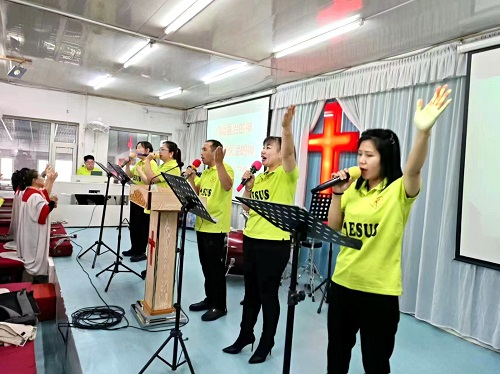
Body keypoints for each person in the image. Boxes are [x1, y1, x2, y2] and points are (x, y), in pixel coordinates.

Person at [326, 85, 452, 374]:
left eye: (369, 155)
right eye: (359, 154)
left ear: (385, 157)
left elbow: (414, 170)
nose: (361, 161)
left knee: (375, 363)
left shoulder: (398, 191)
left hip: (379, 293)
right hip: (344, 284)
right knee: (336, 359)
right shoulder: (352, 189)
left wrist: (423, 132)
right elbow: (334, 229)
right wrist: (337, 193)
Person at [223, 105, 298, 364]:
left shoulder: (286, 175)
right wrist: (248, 187)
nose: (263, 151)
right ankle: (245, 335)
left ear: (280, 154)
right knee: (250, 293)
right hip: (252, 239)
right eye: (262, 146)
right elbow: (245, 208)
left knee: (268, 294)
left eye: (269, 147)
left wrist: (286, 129)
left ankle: (267, 341)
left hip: (274, 244)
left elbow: (289, 154)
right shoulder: (260, 177)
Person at [185, 139, 234, 322]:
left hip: (215, 227)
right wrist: (191, 177)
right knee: (206, 267)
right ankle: (209, 299)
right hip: (201, 224)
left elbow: (228, 185)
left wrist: (220, 163)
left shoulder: (225, 168)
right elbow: (197, 193)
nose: (201, 153)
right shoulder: (205, 173)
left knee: (215, 269)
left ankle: (220, 306)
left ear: (216, 152)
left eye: (204, 149)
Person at [140, 140, 183, 277]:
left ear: (171, 153)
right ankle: (152, 268)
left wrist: (147, 160)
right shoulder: (164, 165)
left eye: (162, 149)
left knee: (160, 242)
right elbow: (148, 180)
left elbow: (152, 179)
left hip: (164, 210)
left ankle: (158, 270)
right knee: (153, 241)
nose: (159, 152)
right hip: (156, 206)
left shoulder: (172, 167)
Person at [16, 168, 59, 283]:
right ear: (34, 180)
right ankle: (36, 277)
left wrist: (51, 180)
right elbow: (42, 214)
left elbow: (45, 196)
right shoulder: (34, 196)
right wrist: (53, 202)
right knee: (35, 254)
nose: (43, 178)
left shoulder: (31, 192)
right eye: (41, 176)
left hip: (30, 229)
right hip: (34, 231)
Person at [122, 142, 159, 262]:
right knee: (133, 224)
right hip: (136, 196)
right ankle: (134, 248)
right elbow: (129, 175)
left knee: (142, 226)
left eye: (139, 148)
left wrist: (140, 170)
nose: (136, 150)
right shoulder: (138, 162)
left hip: (145, 199)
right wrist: (128, 165)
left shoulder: (151, 163)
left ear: (147, 150)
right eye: (136, 148)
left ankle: (141, 251)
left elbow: (149, 181)